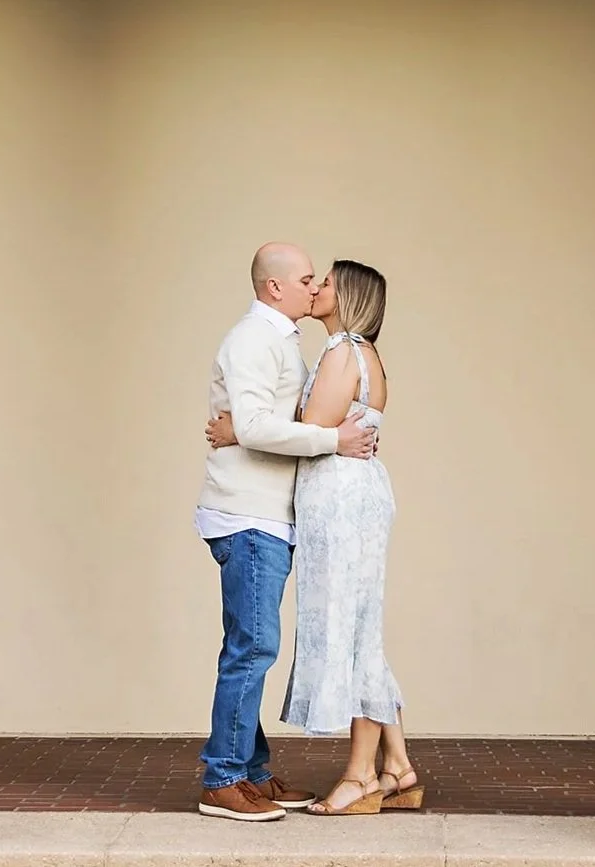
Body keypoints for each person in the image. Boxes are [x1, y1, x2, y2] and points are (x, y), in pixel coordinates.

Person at [207, 259, 421, 816]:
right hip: (353, 495)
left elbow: (312, 425)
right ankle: (397, 767)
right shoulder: (359, 352)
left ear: (346, 297)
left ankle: (360, 777)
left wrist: (240, 431)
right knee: (360, 629)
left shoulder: (341, 351)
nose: (317, 288)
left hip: (339, 500)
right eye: (311, 279)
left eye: (324, 282)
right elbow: (319, 427)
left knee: (352, 634)